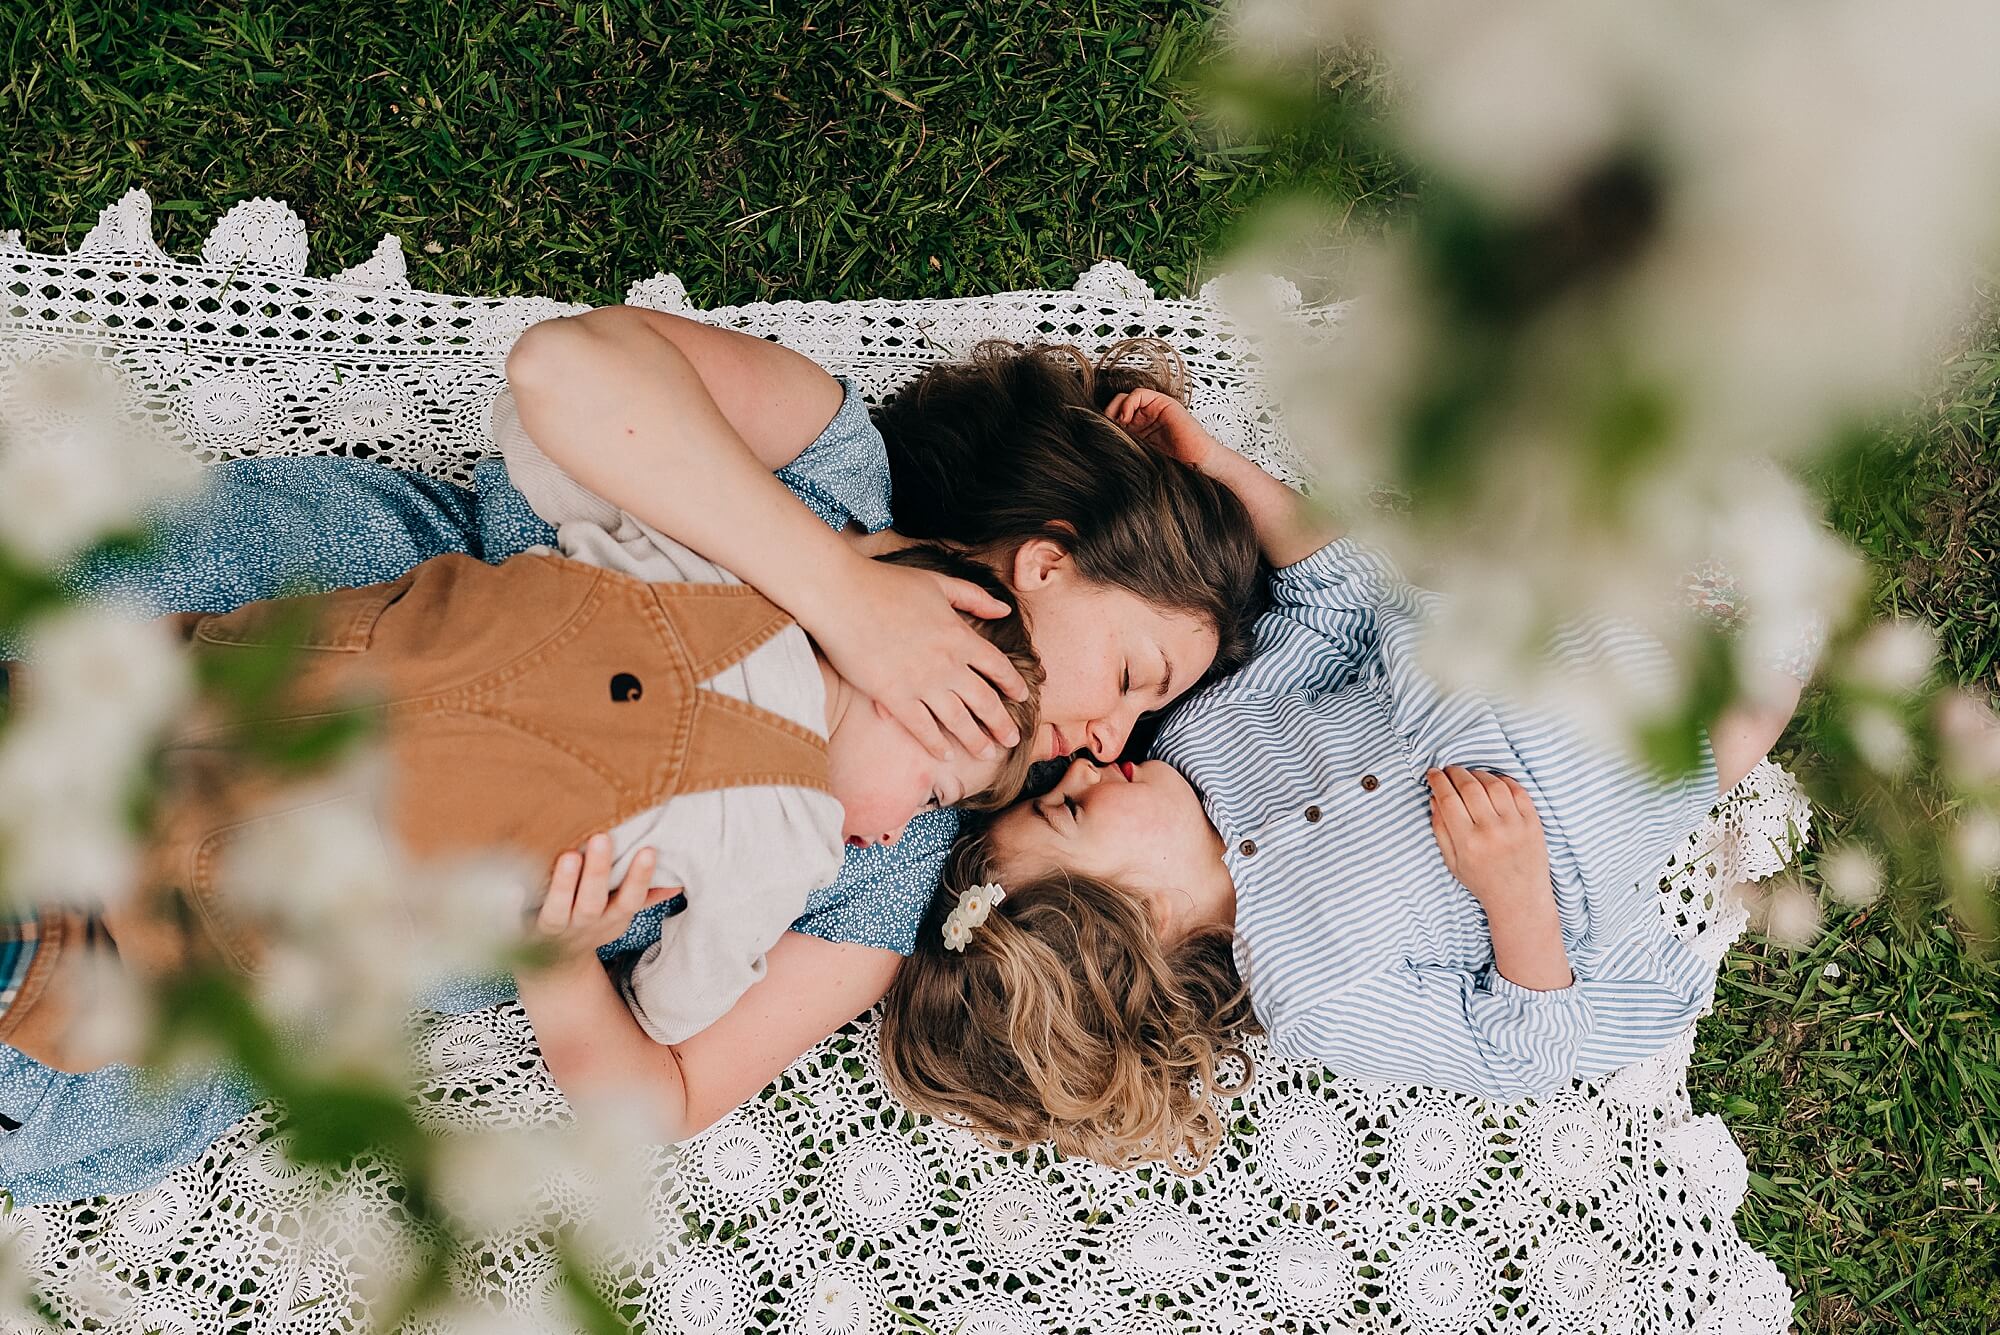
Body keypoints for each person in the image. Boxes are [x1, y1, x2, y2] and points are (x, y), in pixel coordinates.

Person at [0, 314, 1264, 1203]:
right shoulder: (828, 472)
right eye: (1134, 681)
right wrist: (838, 593)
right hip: (260, 629)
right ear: (1047, 563)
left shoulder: (883, 853)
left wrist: (554, 962)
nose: (1104, 738)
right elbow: (563, 368)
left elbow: (658, 1098)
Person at [879, 387, 1808, 1169]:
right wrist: (1513, 893)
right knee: (1766, 666)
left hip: (1530, 635)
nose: (1082, 762)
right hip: (1628, 777)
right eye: (1073, 805)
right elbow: (1519, 1048)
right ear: (1146, 917)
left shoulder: (1202, 735)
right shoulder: (1316, 997)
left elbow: (1335, 602)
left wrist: (1226, 472)